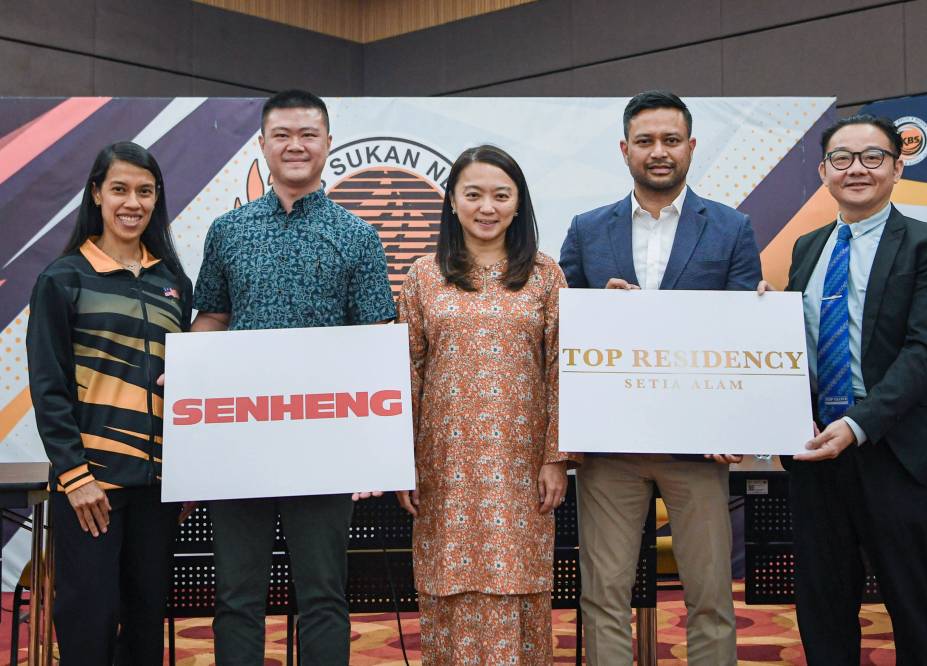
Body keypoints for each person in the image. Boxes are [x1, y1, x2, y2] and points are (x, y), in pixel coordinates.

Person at [191, 90, 396, 664]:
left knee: (324, 596)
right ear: (262, 144)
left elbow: (376, 339)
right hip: (240, 443)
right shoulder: (227, 230)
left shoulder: (357, 235)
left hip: (324, 446)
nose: (295, 145)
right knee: (236, 596)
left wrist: (372, 450)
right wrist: (190, 382)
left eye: (308, 133)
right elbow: (212, 318)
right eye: (282, 134)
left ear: (328, 143)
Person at [559, 90, 761, 666]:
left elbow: (744, 331)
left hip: (699, 448)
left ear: (691, 147)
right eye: (645, 141)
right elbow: (560, 320)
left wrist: (737, 424)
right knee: (603, 597)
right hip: (611, 447)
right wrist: (598, 304)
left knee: (711, 598)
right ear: (624, 150)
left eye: (671, 140)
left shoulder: (732, 227)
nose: (659, 152)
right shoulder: (587, 228)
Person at [764, 114, 927, 665]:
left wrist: (857, 425)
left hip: (897, 452)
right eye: (841, 158)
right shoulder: (808, 248)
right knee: (823, 605)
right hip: (816, 456)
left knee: (912, 607)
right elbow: (797, 346)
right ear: (823, 171)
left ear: (897, 167)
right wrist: (763, 316)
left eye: (872, 157)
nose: (856, 168)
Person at [395, 144, 580, 664]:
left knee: (517, 583)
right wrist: (399, 461)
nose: (487, 207)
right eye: (473, 194)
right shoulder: (422, 276)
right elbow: (406, 372)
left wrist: (556, 458)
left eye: (501, 195)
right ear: (452, 201)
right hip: (443, 466)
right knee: (447, 584)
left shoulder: (546, 276)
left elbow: (560, 370)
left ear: (518, 204)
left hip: (522, 468)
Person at [26, 141, 192, 665]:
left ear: (156, 198)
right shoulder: (63, 278)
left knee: (145, 627)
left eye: (144, 191)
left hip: (156, 490)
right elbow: (48, 387)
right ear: (96, 193)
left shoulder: (173, 284)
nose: (132, 202)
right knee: (87, 627)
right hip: (91, 491)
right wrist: (75, 477)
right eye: (119, 189)